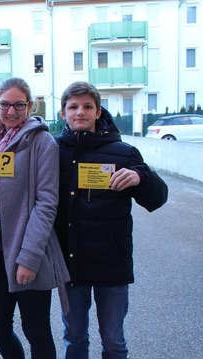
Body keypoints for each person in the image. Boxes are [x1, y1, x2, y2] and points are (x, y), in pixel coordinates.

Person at [54, 81, 168, 359]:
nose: (80, 112)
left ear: (98, 111)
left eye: (87, 107)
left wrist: (142, 176)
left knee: (114, 342)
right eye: (73, 107)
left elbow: (157, 198)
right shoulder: (53, 151)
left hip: (111, 265)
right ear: (63, 113)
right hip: (71, 265)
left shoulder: (124, 152)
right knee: (74, 339)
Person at [0, 77, 70, 359]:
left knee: (36, 330)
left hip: (27, 249)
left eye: (19, 105)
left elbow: (47, 203)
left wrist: (29, 257)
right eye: (5, 104)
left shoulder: (42, 142)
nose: (11, 111)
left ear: (30, 105)